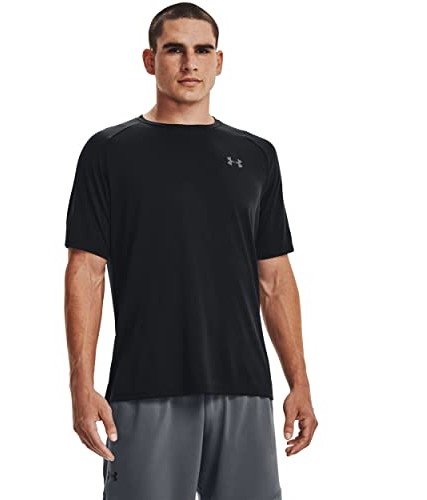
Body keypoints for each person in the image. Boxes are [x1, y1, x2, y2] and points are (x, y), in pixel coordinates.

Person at [64, 3, 318, 499]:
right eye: (174, 49)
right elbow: (86, 271)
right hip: (145, 386)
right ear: (149, 60)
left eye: (202, 50)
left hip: (244, 386)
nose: (189, 63)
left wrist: (300, 382)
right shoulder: (110, 151)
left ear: (219, 62)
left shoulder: (257, 155)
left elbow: (274, 278)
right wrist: (80, 383)